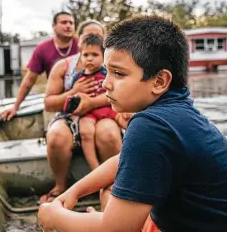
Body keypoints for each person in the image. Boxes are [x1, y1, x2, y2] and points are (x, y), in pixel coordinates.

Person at [37, 15, 227, 232]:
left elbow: (116, 229)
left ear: (159, 81)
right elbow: (123, 158)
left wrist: (55, 217)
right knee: (108, 191)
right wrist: (75, 191)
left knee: (104, 207)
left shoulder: (151, 126)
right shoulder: (178, 111)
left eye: (118, 73)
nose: (106, 83)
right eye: (107, 71)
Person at [39, 20, 123, 206]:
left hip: (103, 111)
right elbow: (49, 103)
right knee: (56, 137)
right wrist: (72, 92)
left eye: (98, 37)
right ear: (80, 41)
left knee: (108, 134)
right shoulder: (64, 66)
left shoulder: (113, 63)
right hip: (70, 115)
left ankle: (116, 184)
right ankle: (60, 186)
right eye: (87, 36)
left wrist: (91, 102)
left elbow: (122, 94)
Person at [68, 33, 133, 170]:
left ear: (103, 56)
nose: (89, 59)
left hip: (107, 109)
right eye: (86, 55)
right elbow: (75, 100)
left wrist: (126, 109)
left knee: (130, 122)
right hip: (88, 113)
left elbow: (117, 92)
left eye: (94, 55)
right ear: (80, 56)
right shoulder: (77, 78)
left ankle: (133, 160)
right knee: (86, 132)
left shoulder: (107, 73)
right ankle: (95, 169)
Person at [0, 11, 78, 121]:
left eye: (71, 23)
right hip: (56, 101)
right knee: (53, 127)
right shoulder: (42, 49)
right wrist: (15, 106)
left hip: (81, 97)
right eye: (64, 22)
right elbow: (29, 80)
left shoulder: (82, 45)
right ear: (54, 26)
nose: (68, 26)